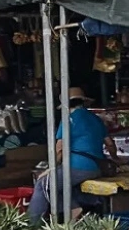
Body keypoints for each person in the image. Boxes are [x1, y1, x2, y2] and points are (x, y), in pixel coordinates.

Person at [28, 87, 113, 221]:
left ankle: (31, 225)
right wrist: (116, 158)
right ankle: (73, 208)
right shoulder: (96, 119)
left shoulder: (68, 120)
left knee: (43, 184)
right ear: (83, 102)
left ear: (65, 106)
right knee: (61, 185)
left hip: (77, 168)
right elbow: (110, 143)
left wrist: (50, 169)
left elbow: (59, 149)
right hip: (96, 169)